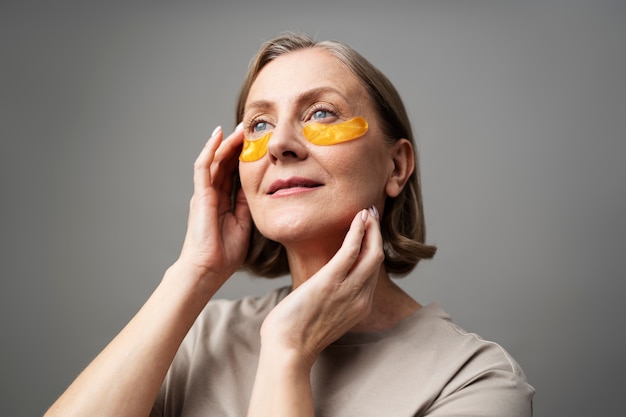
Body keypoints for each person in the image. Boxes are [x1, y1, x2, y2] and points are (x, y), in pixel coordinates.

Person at [45, 32, 534, 417]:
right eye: (258, 124)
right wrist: (194, 273)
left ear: (397, 167)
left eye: (321, 113)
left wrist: (288, 350)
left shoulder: (474, 382)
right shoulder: (200, 338)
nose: (280, 143)